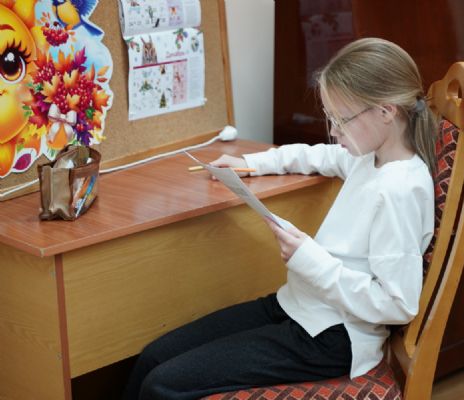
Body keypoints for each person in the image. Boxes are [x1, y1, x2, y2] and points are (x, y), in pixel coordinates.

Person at [123, 37, 437, 400]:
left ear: (386, 112)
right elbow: (319, 156)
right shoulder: (370, 157)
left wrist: (309, 260)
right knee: (153, 358)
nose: (334, 130)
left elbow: (398, 304)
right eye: (330, 118)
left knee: (161, 384)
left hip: (331, 335)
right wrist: (251, 163)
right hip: (296, 306)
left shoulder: (400, 190)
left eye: (341, 119)